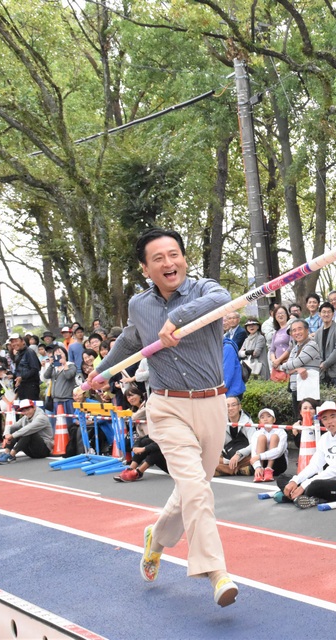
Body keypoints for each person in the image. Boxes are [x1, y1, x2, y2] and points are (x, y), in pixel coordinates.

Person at [81, 228, 238, 607]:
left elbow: (223, 299)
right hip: (167, 407)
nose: (169, 263)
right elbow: (131, 341)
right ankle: (217, 572)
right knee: (197, 490)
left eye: (174, 255)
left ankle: (157, 537)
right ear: (145, 268)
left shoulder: (205, 290)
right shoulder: (140, 305)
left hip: (212, 403)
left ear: (184, 258)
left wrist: (178, 318)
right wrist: (100, 372)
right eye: (159, 258)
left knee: (192, 489)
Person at [278, 401, 336, 509]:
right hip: (327, 480)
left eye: (333, 417)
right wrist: (295, 481)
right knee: (283, 478)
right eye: (325, 418)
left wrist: (304, 484)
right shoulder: (324, 438)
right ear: (321, 421)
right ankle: (298, 496)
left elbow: (335, 469)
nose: (329, 422)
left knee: (314, 486)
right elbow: (315, 465)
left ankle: (293, 496)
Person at [114, 384, 166, 483]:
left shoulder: (147, 406)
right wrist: (136, 447)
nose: (131, 398)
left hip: (163, 449)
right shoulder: (134, 409)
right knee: (142, 442)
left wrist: (143, 449)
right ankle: (130, 470)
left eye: (133, 395)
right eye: (128, 397)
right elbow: (142, 438)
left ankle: (138, 472)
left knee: (156, 447)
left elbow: (132, 417)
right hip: (150, 437)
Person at [280, 320, 322, 417]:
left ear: (307, 330)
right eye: (293, 330)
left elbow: (295, 363)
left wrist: (291, 367)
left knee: (310, 421)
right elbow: (285, 369)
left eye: (300, 329)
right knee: (298, 422)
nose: (297, 332)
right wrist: (295, 369)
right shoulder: (295, 348)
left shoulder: (312, 345)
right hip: (295, 389)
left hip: (308, 391)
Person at [42, 345, 79, 455]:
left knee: (69, 424)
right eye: (55, 354)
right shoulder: (54, 367)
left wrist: (64, 364)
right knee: (57, 424)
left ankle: (73, 446)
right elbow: (46, 375)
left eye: (60, 353)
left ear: (65, 354)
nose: (58, 356)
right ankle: (60, 444)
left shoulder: (71, 365)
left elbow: (69, 376)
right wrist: (51, 364)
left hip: (67, 399)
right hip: (56, 401)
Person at [0, 398, 53, 464]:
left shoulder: (41, 417)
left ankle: (11, 456)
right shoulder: (25, 417)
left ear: (34, 407)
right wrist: (7, 434)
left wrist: (12, 436)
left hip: (43, 450)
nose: (26, 412)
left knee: (28, 432)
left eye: (28, 409)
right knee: (15, 428)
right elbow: (13, 426)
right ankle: (6, 452)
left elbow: (28, 429)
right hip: (31, 451)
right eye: (24, 411)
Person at [216, 396, 255, 476]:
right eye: (227, 406)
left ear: (239, 407)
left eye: (233, 405)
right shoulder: (221, 421)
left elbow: (254, 444)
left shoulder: (247, 422)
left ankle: (228, 469)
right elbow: (217, 442)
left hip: (244, 453)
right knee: (210, 458)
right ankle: (237, 469)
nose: (230, 408)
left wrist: (239, 454)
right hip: (229, 452)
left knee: (254, 456)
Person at [315, 302, 336, 387]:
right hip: (323, 374)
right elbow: (315, 351)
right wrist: (320, 363)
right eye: (324, 312)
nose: (326, 314)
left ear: (333, 314)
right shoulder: (318, 332)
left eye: (329, 312)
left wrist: (325, 364)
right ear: (319, 314)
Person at [250, 408, 288, 483]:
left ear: (274, 420)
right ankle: (259, 471)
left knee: (274, 437)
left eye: (268, 416)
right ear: (259, 421)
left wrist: (260, 456)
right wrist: (257, 466)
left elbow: (279, 451)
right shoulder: (257, 433)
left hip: (277, 464)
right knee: (261, 438)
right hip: (261, 463)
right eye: (262, 417)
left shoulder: (281, 431)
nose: (265, 419)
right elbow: (253, 452)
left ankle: (269, 469)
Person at [8, 333, 41, 401]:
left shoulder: (29, 352)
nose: (14, 344)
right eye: (12, 342)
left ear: (22, 341)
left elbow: (35, 369)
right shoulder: (18, 354)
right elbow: (19, 370)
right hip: (21, 386)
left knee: (31, 408)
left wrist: (22, 377)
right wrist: (12, 376)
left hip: (31, 386)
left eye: (16, 341)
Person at [267, 306, 292, 381]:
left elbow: (291, 346)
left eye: (282, 313)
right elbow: (272, 349)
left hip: (288, 364)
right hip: (277, 367)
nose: (280, 315)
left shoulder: (291, 329)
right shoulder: (276, 332)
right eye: (277, 314)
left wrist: (279, 360)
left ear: (287, 315)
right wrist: (274, 361)